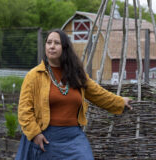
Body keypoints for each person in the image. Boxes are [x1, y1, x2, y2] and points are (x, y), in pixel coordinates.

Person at [15, 28, 132, 160]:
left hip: (73, 137)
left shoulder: (76, 75)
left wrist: (120, 102)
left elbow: (98, 94)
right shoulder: (34, 76)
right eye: (49, 42)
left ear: (65, 48)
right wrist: (35, 133)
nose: (52, 46)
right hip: (45, 136)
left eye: (56, 43)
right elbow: (24, 110)